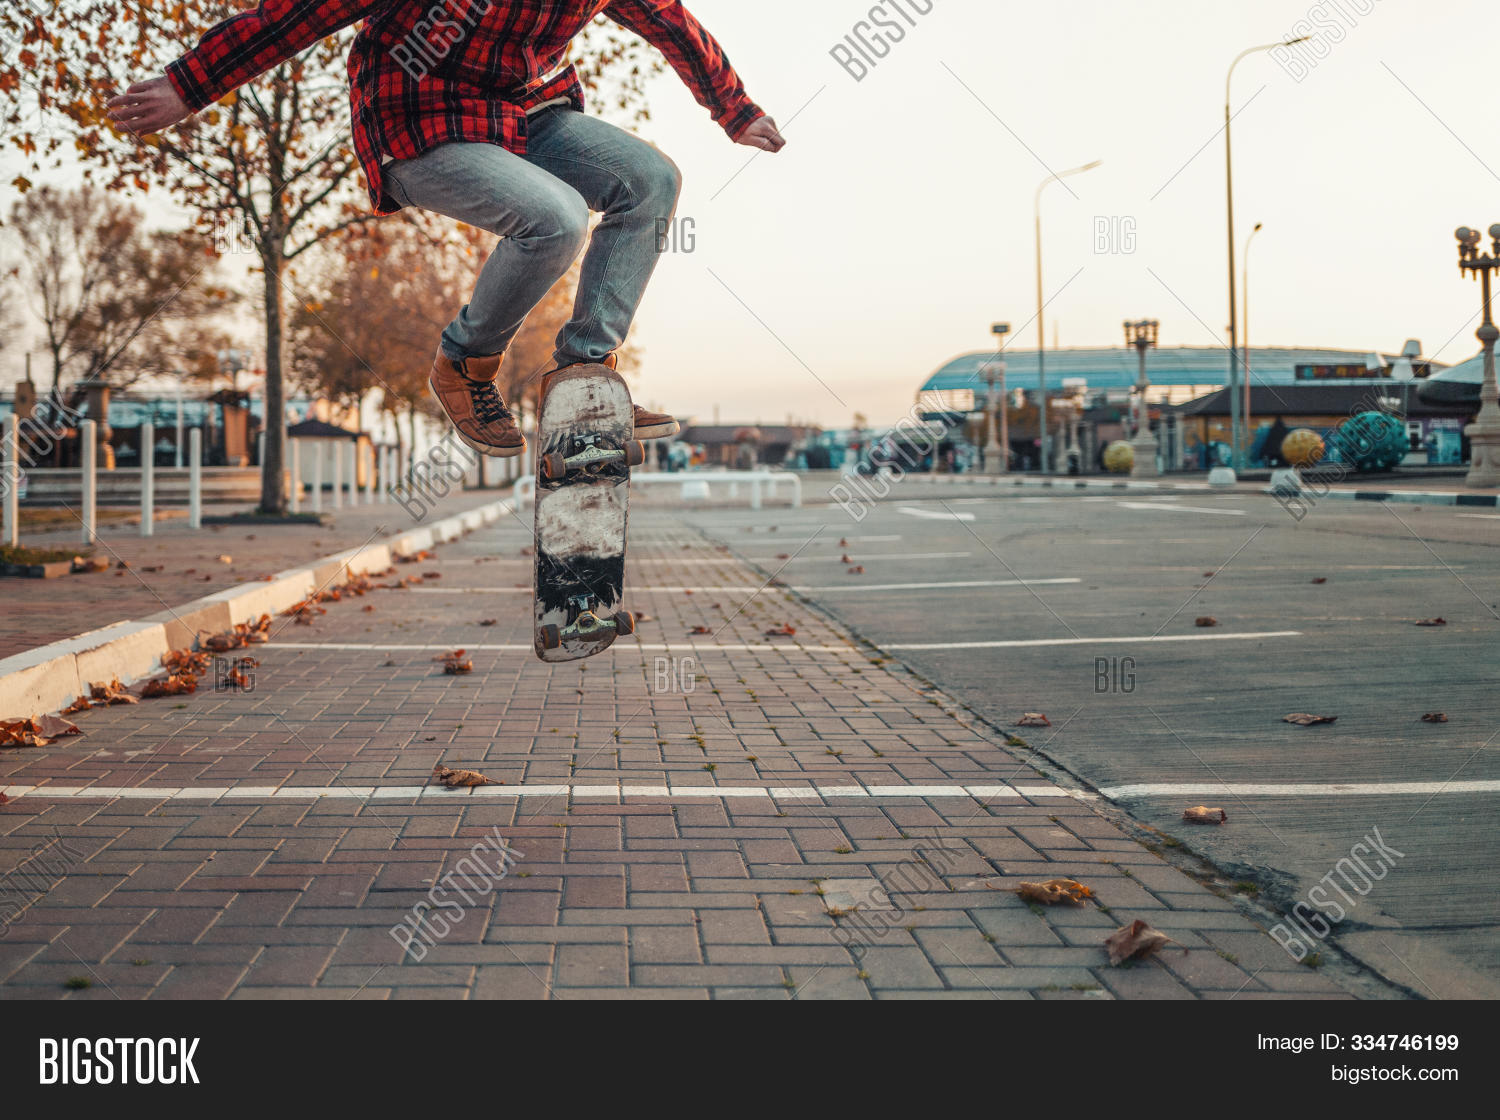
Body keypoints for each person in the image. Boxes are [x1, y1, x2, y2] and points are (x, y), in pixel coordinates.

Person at [108, 1, 784, 460]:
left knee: (651, 180)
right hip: (416, 115)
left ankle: (582, 375)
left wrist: (734, 108)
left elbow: (672, 23)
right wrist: (189, 84)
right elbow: (302, 14)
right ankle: (465, 361)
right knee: (554, 218)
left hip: (529, 115)